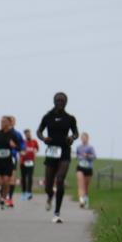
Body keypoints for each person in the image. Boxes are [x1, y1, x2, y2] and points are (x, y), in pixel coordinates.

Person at [37, 92, 79, 224]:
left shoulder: (70, 118)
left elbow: (76, 133)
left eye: (63, 100)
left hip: (65, 152)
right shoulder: (47, 116)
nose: (60, 102)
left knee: (60, 180)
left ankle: (57, 213)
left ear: (66, 102)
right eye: (58, 100)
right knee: (48, 186)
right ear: (54, 101)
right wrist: (44, 138)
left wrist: (71, 138)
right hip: (52, 152)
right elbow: (39, 131)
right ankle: (50, 195)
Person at [0, 116, 19, 208]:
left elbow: (19, 147)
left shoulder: (13, 135)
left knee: (6, 181)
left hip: (7, 162)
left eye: (4, 122)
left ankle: (3, 198)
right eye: (1, 122)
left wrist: (14, 146)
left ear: (9, 124)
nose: (2, 123)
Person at [75, 132, 97, 209]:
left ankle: (86, 200)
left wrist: (87, 156)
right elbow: (77, 155)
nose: (83, 139)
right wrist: (79, 157)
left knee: (86, 186)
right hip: (80, 167)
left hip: (88, 168)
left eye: (85, 138)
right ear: (81, 139)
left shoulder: (90, 147)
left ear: (87, 138)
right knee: (80, 185)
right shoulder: (78, 147)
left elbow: (94, 157)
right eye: (82, 138)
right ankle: (81, 200)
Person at [20, 128, 39, 200]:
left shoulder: (34, 141)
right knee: (23, 178)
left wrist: (35, 151)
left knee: (30, 177)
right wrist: (22, 153)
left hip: (31, 162)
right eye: (26, 134)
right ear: (25, 135)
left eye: (29, 133)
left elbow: (37, 149)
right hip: (23, 162)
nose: (28, 135)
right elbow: (20, 150)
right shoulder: (23, 142)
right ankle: (24, 192)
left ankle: (29, 192)